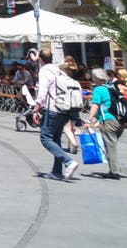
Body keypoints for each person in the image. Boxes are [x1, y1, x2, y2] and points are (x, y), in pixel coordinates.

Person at [32, 48, 80, 181]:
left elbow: (42, 91)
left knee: (45, 138)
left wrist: (36, 108)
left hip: (52, 108)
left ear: (41, 59)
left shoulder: (45, 71)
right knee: (56, 140)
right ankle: (57, 172)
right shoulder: (58, 70)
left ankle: (69, 162)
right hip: (64, 109)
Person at [85, 68, 123, 180]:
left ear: (97, 78)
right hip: (119, 120)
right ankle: (113, 168)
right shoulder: (111, 88)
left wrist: (89, 120)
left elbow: (95, 106)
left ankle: (114, 172)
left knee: (110, 146)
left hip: (109, 120)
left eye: (93, 77)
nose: (92, 78)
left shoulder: (98, 89)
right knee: (110, 144)